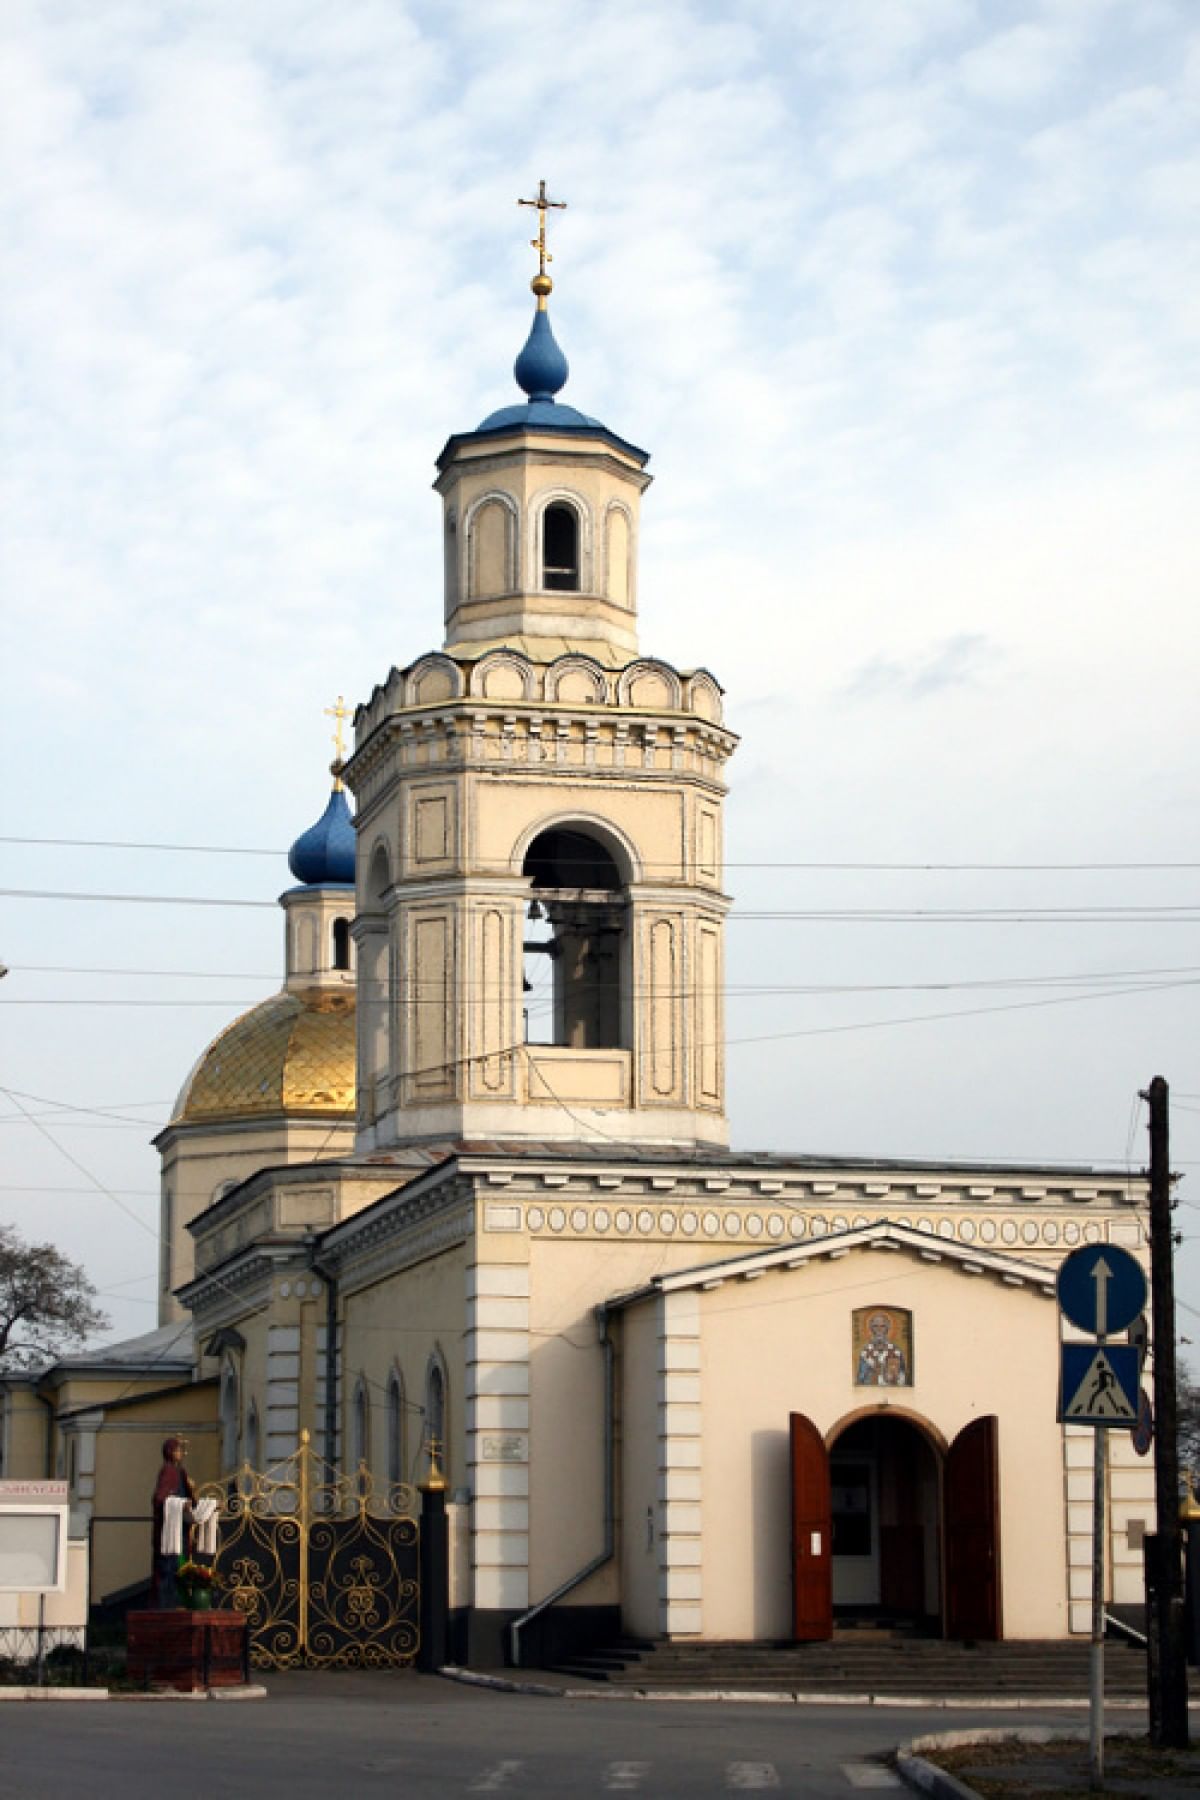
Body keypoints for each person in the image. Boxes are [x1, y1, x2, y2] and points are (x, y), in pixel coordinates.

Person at [150, 1435, 196, 1609]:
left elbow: (190, 1498)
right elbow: (159, 1499)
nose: (180, 1454)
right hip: (169, 1532)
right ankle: (169, 1603)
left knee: (182, 1564)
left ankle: (181, 1600)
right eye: (177, 1450)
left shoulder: (181, 1472)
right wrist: (180, 1503)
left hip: (182, 1529)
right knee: (169, 1568)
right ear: (169, 1452)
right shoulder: (168, 1471)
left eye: (180, 1450)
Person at [856, 1310, 909, 1386]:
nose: (879, 1329)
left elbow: (903, 1377)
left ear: (887, 1328)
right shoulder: (865, 1353)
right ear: (871, 1329)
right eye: (875, 1326)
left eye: (882, 1326)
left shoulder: (896, 1351)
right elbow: (860, 1380)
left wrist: (894, 1376)